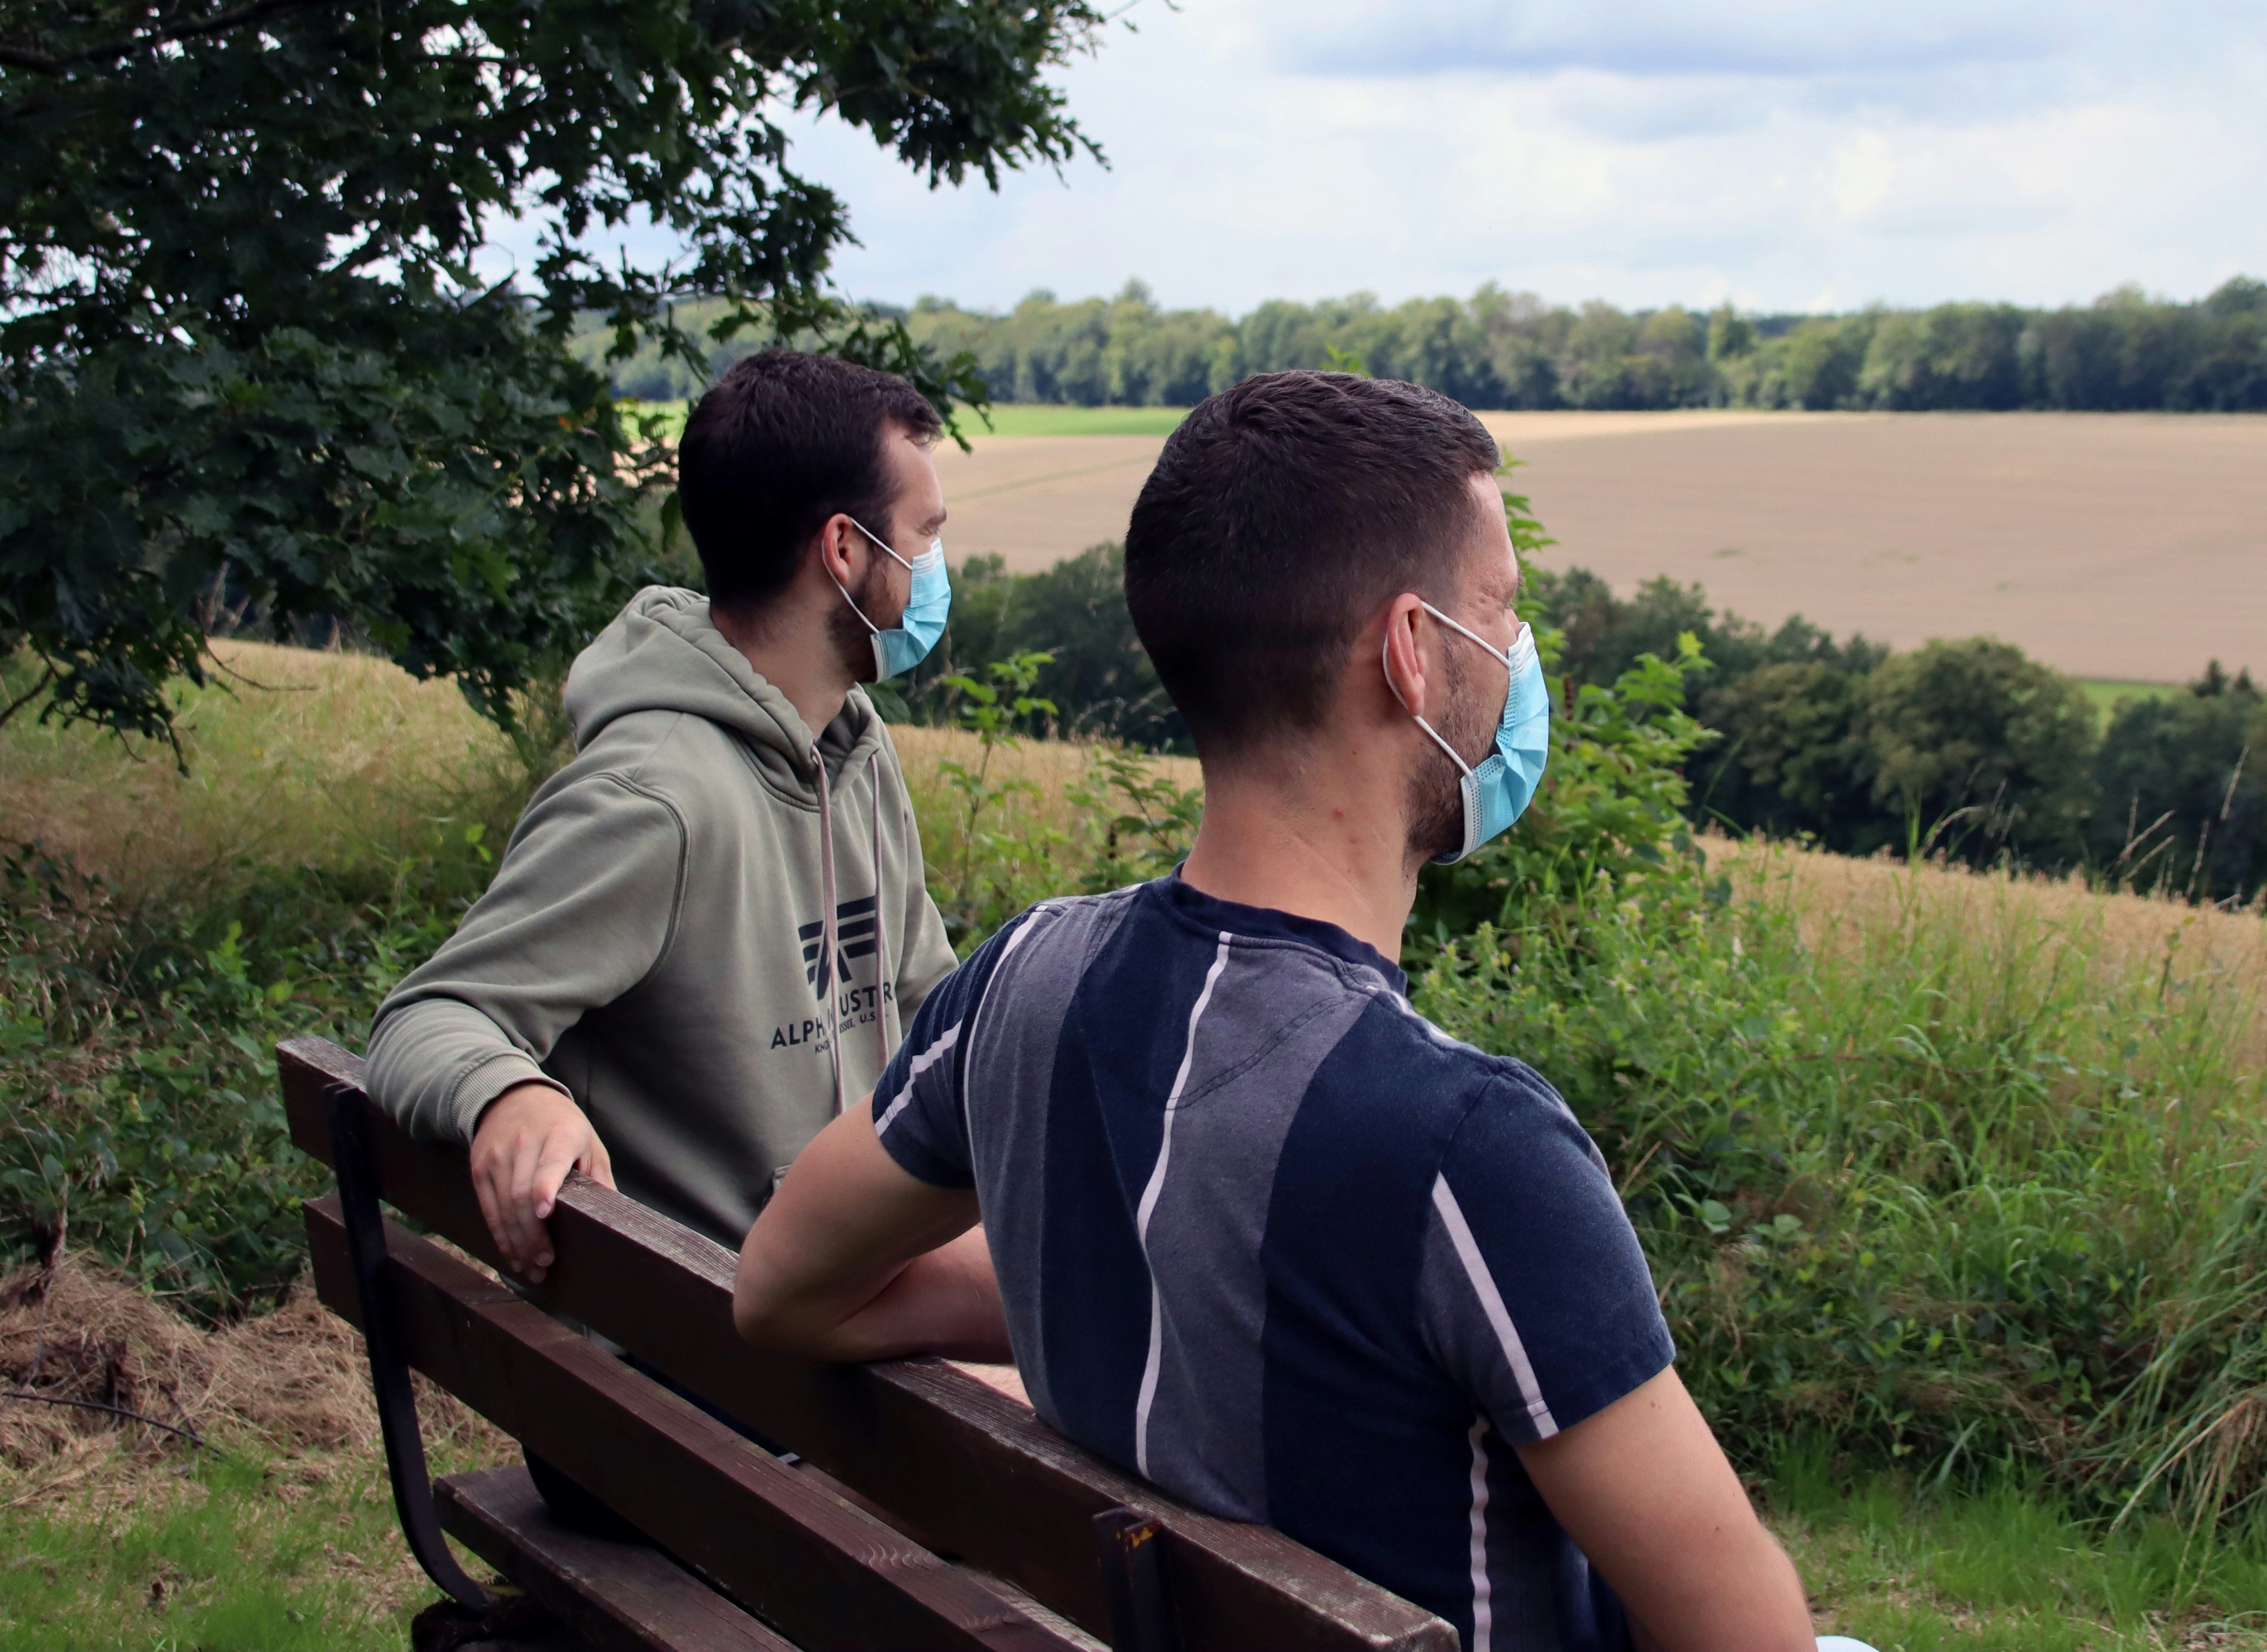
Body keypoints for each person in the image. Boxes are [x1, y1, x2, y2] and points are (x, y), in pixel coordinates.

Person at [734, 369, 1823, 1652]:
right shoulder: (1472, 1151)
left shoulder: (1019, 982)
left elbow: (780, 1288)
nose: (1518, 659)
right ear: (1414, 653)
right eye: (1503, 612)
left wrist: (1096, 1275)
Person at [365, 350, 994, 1361]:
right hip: (732, 1371)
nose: (934, 570)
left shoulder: (853, 753)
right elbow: (431, 1016)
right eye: (923, 536)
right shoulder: (654, 797)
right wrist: (511, 1091)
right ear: (844, 548)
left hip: (832, 1323)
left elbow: (930, 1016)